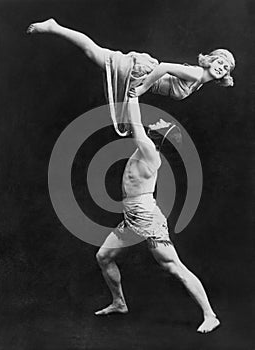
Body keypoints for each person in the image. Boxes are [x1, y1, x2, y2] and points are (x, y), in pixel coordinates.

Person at [94, 97, 220, 333]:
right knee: (103, 257)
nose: (159, 120)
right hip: (131, 218)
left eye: (162, 123)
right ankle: (119, 303)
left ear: (160, 137)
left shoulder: (150, 152)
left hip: (146, 218)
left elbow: (135, 121)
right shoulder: (144, 148)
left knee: (173, 266)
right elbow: (132, 124)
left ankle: (210, 314)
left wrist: (133, 93)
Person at [26, 19, 235, 136]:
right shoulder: (196, 73)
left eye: (225, 68)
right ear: (211, 60)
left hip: (142, 78)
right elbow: (164, 67)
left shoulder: (198, 83)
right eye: (220, 62)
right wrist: (143, 88)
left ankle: (55, 28)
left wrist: (143, 89)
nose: (221, 67)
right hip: (140, 73)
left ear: (225, 75)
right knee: (94, 53)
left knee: (96, 54)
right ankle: (54, 27)